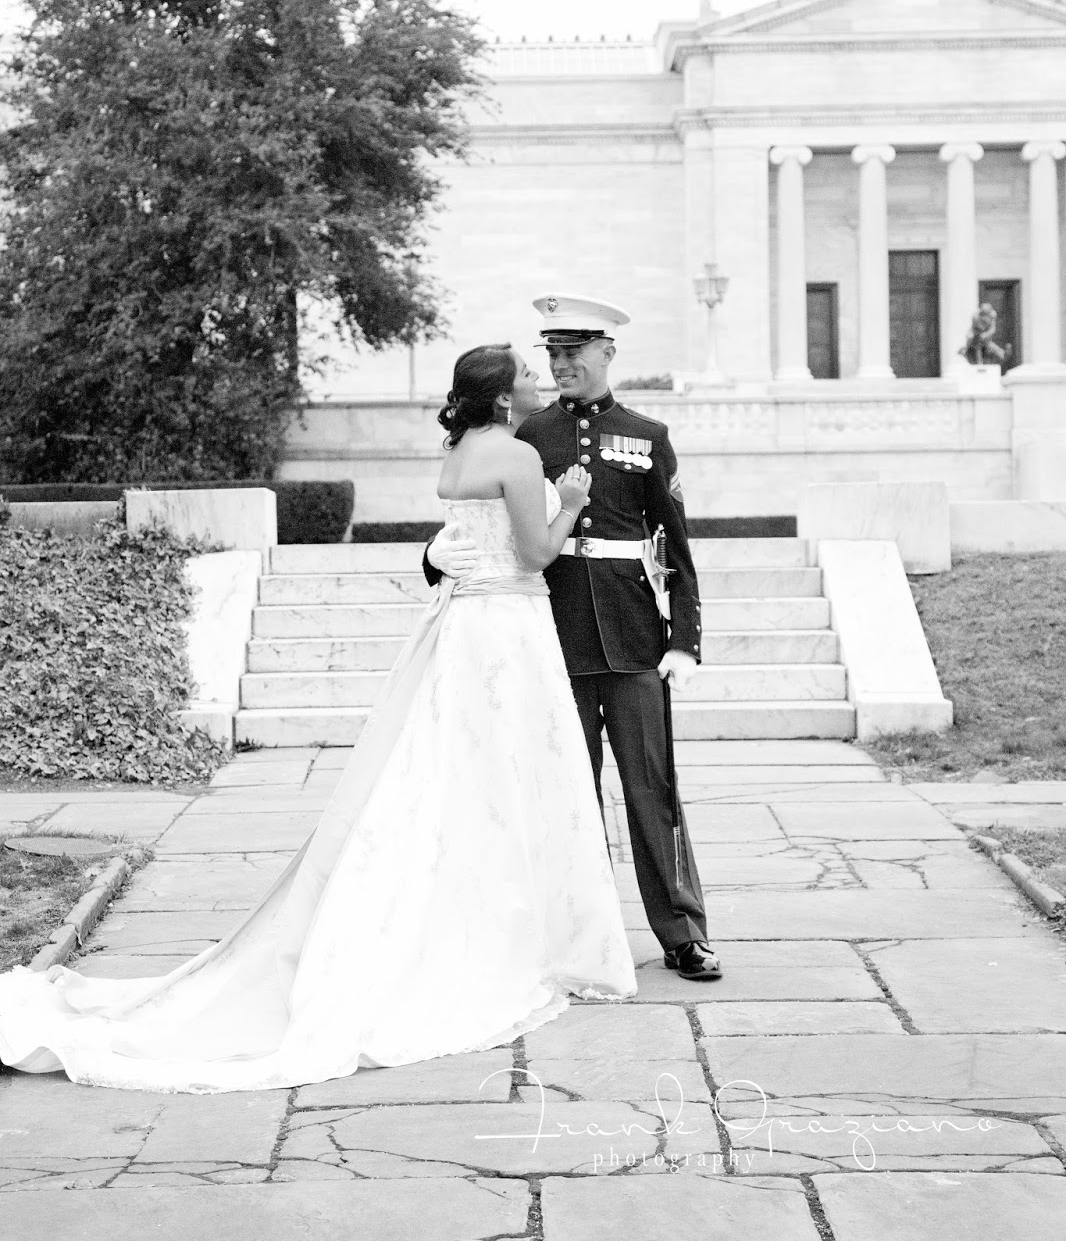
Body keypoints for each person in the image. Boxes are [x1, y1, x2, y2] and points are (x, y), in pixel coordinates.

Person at [0, 343, 636, 1093]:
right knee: (514, 775)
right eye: (526, 375)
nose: (538, 381)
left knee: (455, 775)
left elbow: (467, 536)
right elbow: (534, 555)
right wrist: (572, 501)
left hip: (464, 626)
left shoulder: (460, 452)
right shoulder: (519, 456)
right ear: (502, 398)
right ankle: (517, 934)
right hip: (508, 627)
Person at [427, 295, 721, 980]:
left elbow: (674, 541)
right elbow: (482, 513)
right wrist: (435, 556)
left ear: (607, 353)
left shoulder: (646, 435)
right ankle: (580, 933)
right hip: (549, 636)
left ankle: (682, 933)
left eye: (574, 352)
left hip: (632, 633)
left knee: (652, 787)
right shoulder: (527, 434)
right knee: (563, 792)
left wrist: (684, 638)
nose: (561, 365)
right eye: (552, 354)